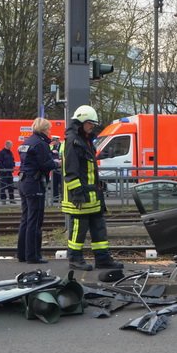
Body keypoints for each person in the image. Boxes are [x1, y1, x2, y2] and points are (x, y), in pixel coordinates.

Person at [62, 105, 122, 272]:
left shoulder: (85, 140)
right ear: (80, 122)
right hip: (80, 195)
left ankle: (102, 258)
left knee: (99, 227)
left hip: (93, 194)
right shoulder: (73, 141)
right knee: (79, 229)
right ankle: (74, 258)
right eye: (89, 123)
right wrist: (77, 192)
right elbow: (71, 170)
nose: (92, 127)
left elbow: (90, 168)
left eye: (93, 124)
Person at [17, 117, 57, 264]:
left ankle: (22, 254)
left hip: (23, 181)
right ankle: (33, 256)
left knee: (26, 219)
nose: (50, 131)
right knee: (35, 220)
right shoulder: (41, 144)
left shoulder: (27, 142)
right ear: (44, 129)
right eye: (49, 129)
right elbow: (45, 165)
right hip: (34, 183)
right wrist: (56, 162)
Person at [0, 140, 16, 204]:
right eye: (11, 145)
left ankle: (11, 199)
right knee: (3, 187)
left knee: (11, 187)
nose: (12, 146)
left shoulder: (10, 152)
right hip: (3, 172)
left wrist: (13, 166)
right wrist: (3, 168)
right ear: (8, 145)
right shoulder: (1, 153)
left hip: (9, 172)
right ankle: (3, 200)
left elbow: (12, 160)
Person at [50, 136, 63, 206]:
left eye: (53, 141)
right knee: (54, 184)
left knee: (61, 184)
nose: (52, 142)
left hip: (61, 168)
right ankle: (55, 199)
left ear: (57, 141)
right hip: (54, 168)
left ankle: (62, 199)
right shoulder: (51, 147)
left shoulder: (62, 146)